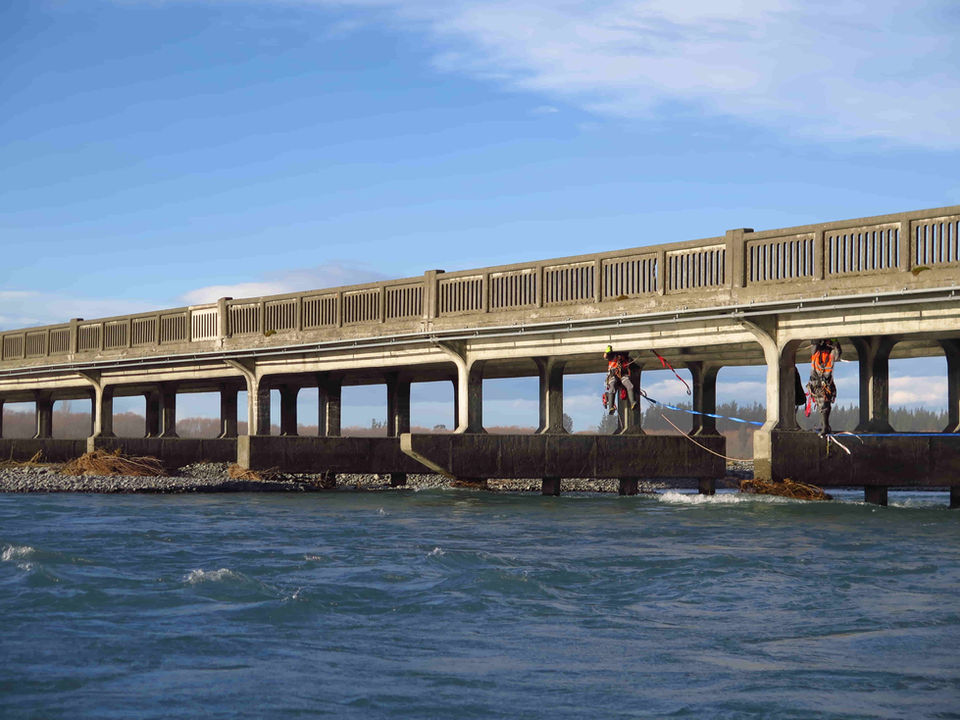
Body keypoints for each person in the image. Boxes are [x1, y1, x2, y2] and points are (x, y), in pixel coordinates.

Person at [807, 338, 842, 436]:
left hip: (824, 384)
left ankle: (825, 426)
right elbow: (814, 344)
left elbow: (838, 353)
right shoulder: (816, 352)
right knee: (821, 405)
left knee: (824, 405)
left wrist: (835, 343)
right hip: (816, 383)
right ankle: (824, 425)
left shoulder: (831, 354)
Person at [603, 345, 638, 414]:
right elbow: (605, 356)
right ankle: (611, 407)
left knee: (630, 385)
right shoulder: (613, 356)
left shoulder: (626, 359)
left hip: (622, 375)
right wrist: (607, 350)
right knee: (612, 387)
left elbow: (633, 367)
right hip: (613, 375)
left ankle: (633, 403)